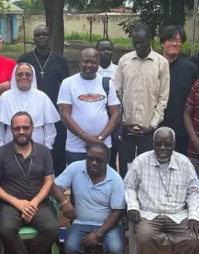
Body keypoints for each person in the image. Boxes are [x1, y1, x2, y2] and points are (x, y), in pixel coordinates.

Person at [0, 112, 60, 254]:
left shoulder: (43, 151)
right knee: (5, 229)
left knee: (52, 228)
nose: (21, 131)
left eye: (25, 127)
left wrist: (34, 203)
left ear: (32, 129)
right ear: (11, 130)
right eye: (17, 128)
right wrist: (17, 203)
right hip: (11, 204)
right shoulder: (2, 153)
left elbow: (48, 181)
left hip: (38, 204)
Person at [125, 127, 199, 254]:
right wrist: (133, 207)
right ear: (153, 144)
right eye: (158, 144)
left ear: (174, 144)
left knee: (195, 240)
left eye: (167, 145)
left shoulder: (184, 163)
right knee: (144, 237)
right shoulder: (141, 161)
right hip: (149, 213)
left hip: (178, 215)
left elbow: (193, 191)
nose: (162, 148)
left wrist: (194, 216)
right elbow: (129, 186)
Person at [52, 142, 126, 254]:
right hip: (81, 222)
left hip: (108, 225)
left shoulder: (115, 180)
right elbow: (54, 186)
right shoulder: (75, 168)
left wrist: (98, 234)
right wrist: (64, 202)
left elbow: (117, 212)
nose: (93, 163)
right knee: (69, 248)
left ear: (107, 160)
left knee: (115, 249)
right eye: (90, 158)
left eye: (99, 160)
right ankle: (88, 250)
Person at [115, 23, 170, 177]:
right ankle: (125, 200)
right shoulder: (124, 61)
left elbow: (163, 98)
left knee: (147, 169)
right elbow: (117, 93)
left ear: (150, 40)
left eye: (142, 42)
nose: (138, 46)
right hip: (127, 129)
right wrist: (124, 121)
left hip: (148, 130)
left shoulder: (161, 63)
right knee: (126, 169)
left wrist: (152, 126)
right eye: (135, 42)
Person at [18, 24, 70, 176]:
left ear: (49, 37)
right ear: (33, 38)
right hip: (30, 111)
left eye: (44, 34)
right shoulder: (24, 59)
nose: (41, 37)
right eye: (38, 34)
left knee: (57, 148)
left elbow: (66, 87)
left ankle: (57, 185)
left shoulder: (59, 60)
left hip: (55, 113)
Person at [57, 48, 120, 164]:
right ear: (79, 62)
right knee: (77, 180)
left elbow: (115, 114)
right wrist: (86, 137)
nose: (89, 65)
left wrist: (100, 138)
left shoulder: (107, 83)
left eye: (93, 62)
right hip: (76, 148)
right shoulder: (68, 83)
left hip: (103, 146)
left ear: (98, 63)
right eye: (86, 61)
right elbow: (65, 115)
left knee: (101, 180)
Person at [0, 63, 59, 149]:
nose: (24, 77)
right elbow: (0, 126)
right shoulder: (5, 97)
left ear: (33, 77)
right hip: (10, 146)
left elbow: (49, 126)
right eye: (20, 74)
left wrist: (47, 146)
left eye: (28, 74)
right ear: (14, 76)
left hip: (37, 146)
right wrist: (0, 146)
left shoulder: (42, 97)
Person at [159, 25, 199, 155]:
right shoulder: (152, 66)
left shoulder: (190, 69)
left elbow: (195, 101)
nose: (175, 44)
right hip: (153, 129)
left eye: (179, 41)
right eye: (170, 40)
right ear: (162, 43)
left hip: (181, 131)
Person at [96, 38, 120, 168]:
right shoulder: (91, 71)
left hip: (115, 120)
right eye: (102, 49)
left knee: (112, 155)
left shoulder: (119, 71)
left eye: (109, 49)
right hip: (98, 119)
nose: (106, 52)